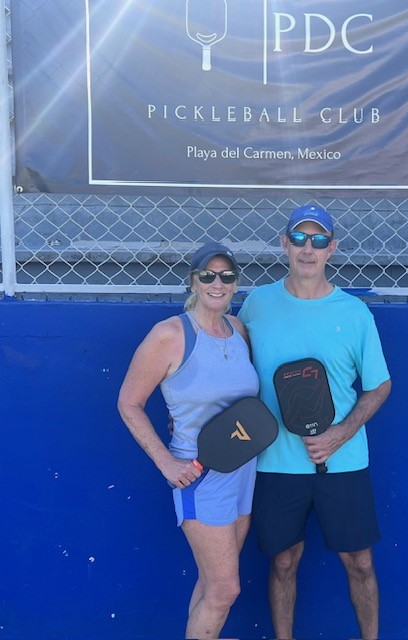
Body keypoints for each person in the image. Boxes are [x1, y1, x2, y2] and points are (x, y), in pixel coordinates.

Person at [238, 204, 391, 640]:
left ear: (332, 249)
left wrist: (342, 434)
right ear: (284, 244)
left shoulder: (355, 313)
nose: (309, 248)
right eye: (300, 238)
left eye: (319, 240)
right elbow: (230, 368)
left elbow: (379, 386)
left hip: (342, 463)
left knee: (360, 563)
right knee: (283, 561)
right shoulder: (256, 304)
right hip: (275, 462)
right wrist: (192, 420)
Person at [118, 241, 259, 640]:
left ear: (236, 284)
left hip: (243, 470)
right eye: (208, 275)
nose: (218, 283)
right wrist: (166, 461)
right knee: (225, 588)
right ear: (193, 281)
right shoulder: (169, 334)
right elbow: (129, 403)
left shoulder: (239, 330)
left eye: (227, 276)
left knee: (212, 582)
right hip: (200, 475)